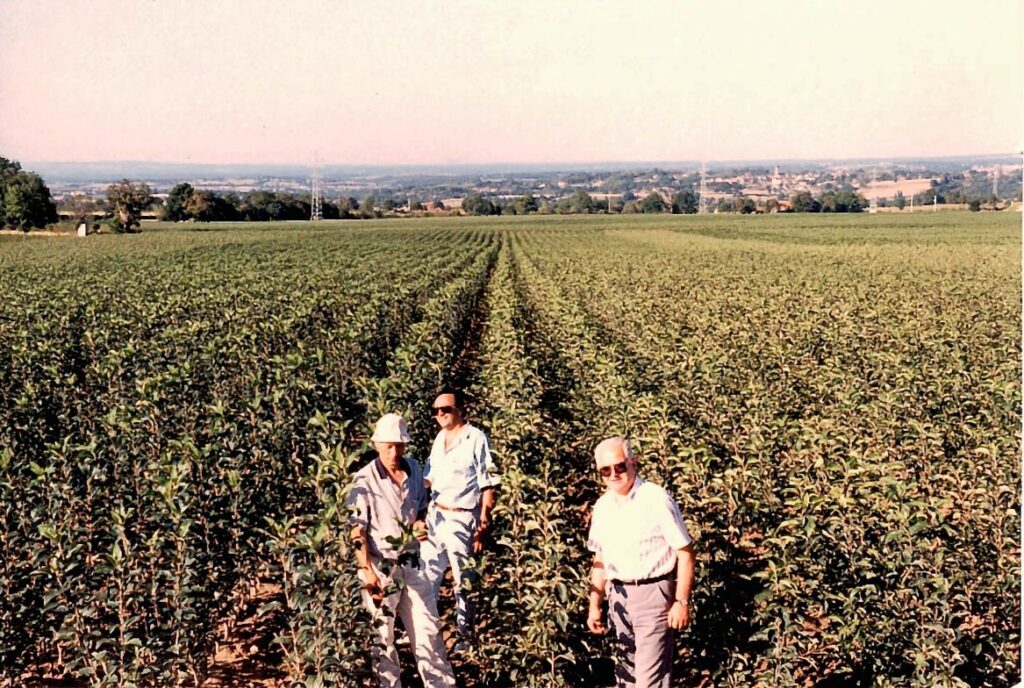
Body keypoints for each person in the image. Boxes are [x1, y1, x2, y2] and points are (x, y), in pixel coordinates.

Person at [347, 413, 455, 688]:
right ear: (376, 445)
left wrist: (419, 524)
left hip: (412, 561)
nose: (394, 452)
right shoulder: (363, 481)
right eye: (388, 446)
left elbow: (420, 509)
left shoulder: (415, 470)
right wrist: (367, 573)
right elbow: (356, 532)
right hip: (381, 566)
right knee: (383, 636)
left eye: (399, 445)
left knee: (428, 628)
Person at [586, 437, 695, 688]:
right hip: (619, 598)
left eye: (620, 466)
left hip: (654, 596)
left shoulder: (656, 500)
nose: (613, 474)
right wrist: (595, 604)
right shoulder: (603, 506)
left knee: (649, 681)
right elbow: (600, 559)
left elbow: (685, 552)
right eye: (605, 470)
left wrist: (681, 601)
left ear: (633, 463)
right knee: (626, 676)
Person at [421, 390, 500, 652]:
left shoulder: (475, 438)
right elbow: (428, 479)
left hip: (462, 517)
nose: (440, 414)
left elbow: (488, 483)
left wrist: (483, 524)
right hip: (436, 515)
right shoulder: (439, 439)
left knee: (463, 580)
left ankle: (466, 637)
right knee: (428, 576)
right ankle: (426, 633)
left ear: (461, 410)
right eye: (436, 410)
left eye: (446, 409)